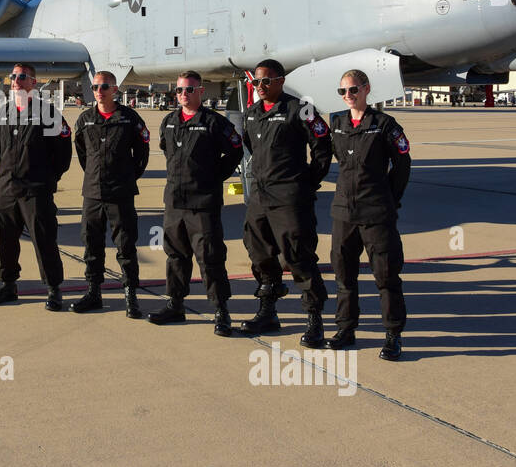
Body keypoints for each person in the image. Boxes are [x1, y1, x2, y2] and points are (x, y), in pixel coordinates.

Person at [240, 59, 333, 346]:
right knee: (259, 253)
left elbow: (322, 147)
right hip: (260, 196)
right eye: (257, 82)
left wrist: (307, 182)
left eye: (267, 81)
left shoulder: (300, 109)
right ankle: (268, 310)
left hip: (290, 197)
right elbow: (250, 145)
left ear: (281, 81)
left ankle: (314, 319)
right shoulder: (253, 113)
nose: (261, 87)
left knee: (298, 256)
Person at [150, 71, 245, 333]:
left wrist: (215, 175)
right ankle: (175, 304)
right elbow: (167, 150)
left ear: (201, 92)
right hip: (175, 203)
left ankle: (220, 310)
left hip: (203, 203)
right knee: (175, 256)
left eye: (189, 90)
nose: (183, 95)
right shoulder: (169, 122)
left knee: (210, 257)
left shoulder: (214, 122)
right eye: (179, 91)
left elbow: (235, 149)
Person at [328, 69, 412, 360]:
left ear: (366, 89)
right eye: (343, 92)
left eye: (353, 90)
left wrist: (390, 198)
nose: (348, 96)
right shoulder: (337, 123)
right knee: (343, 275)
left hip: (376, 212)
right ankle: (346, 329)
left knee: (386, 276)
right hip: (343, 213)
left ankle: (393, 335)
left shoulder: (385, 125)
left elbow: (402, 165)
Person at [0, 63, 72, 311]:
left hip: (36, 190)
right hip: (8, 190)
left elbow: (63, 155)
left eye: (22, 77)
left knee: (44, 240)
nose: (16, 81)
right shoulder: (1, 113)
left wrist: (46, 178)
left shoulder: (49, 114)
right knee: (5, 239)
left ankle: (54, 290)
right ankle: (8, 285)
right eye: (13, 76)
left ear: (34, 82)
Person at [71, 71, 149, 318]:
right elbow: (83, 154)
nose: (99, 91)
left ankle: (131, 295)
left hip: (120, 193)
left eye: (104, 86)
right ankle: (93, 292)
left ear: (114, 89)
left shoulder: (129, 118)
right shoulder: (85, 119)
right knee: (91, 245)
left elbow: (142, 154)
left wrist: (126, 177)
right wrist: (96, 176)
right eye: (95, 86)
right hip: (92, 193)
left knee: (125, 245)